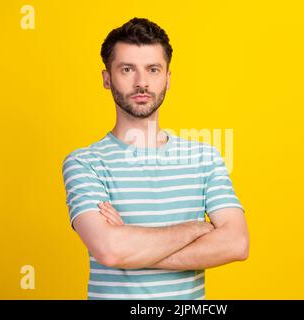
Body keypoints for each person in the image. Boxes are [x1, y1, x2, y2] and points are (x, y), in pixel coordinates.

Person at [61, 17, 249, 300]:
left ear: (168, 78)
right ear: (106, 78)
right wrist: (196, 229)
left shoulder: (204, 158)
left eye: (153, 69)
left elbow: (236, 243)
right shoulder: (85, 163)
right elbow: (110, 250)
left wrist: (131, 246)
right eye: (127, 69)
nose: (142, 83)